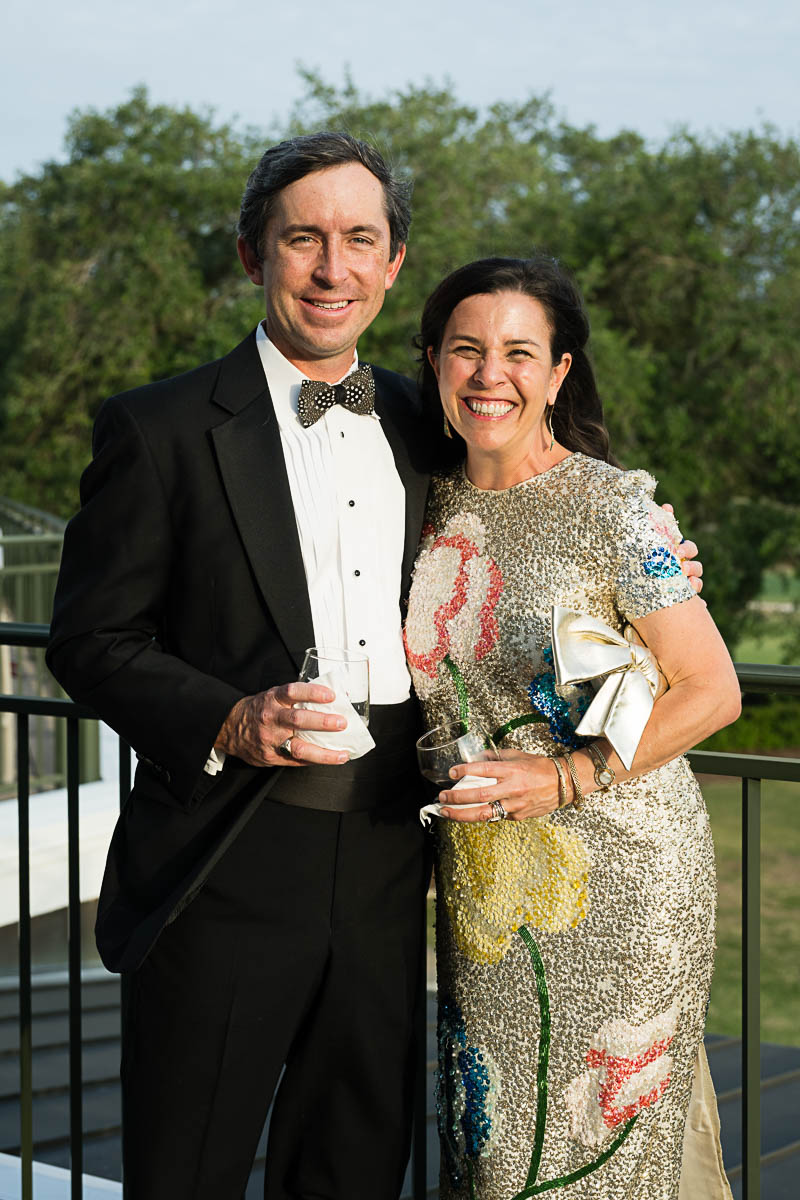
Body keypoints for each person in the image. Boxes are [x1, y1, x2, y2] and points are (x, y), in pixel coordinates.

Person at [46, 135, 702, 1200]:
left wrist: (658, 563)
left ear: (392, 264)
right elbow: (90, 640)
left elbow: (544, 513)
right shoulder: (157, 428)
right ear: (253, 253)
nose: (331, 268)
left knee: (354, 1164)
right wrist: (227, 717)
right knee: (186, 1168)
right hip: (229, 854)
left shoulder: (432, 417)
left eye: (359, 240)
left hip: (398, 857)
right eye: (303, 238)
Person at [403, 256, 739, 1199]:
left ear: (558, 374)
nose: (490, 375)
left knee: (606, 1158)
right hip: (489, 887)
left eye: (519, 353)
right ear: (433, 363)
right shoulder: (422, 504)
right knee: (499, 1153)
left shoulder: (614, 505)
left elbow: (712, 690)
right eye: (466, 350)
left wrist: (565, 776)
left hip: (627, 875)